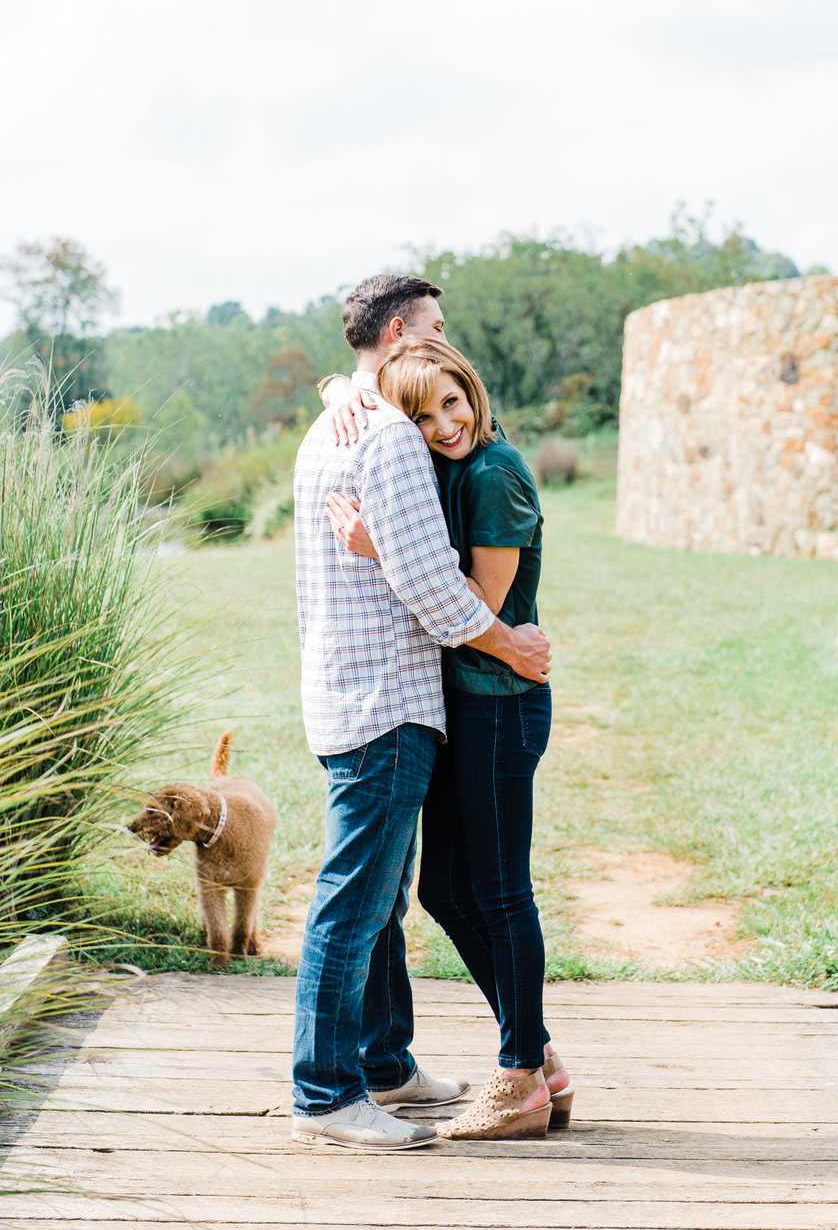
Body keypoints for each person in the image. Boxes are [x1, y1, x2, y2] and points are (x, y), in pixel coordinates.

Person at [291, 275, 551, 1153]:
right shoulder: (392, 435)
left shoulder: (328, 424)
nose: (446, 345)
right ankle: (328, 1095)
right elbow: (438, 587)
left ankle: (385, 1063)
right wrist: (512, 644)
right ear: (397, 332)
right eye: (434, 329)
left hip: (338, 689)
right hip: (387, 698)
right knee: (355, 904)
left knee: (386, 902)